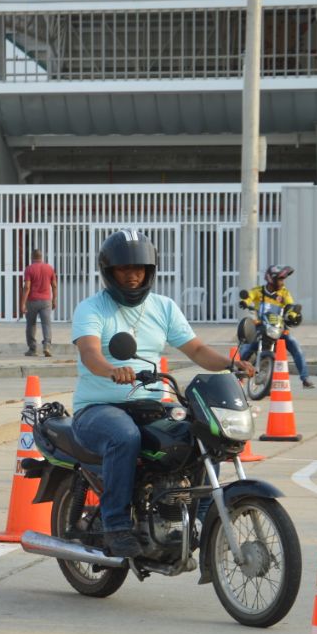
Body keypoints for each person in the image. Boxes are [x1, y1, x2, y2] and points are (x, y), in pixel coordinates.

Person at [70, 229, 253, 558]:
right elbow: (89, 352)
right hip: (98, 407)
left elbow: (196, 349)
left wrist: (231, 363)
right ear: (110, 272)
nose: (133, 275)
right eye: (125, 269)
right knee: (124, 436)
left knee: (202, 434)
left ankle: (194, 520)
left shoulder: (163, 307)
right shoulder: (92, 308)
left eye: (140, 269)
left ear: (150, 271)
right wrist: (112, 369)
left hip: (152, 404)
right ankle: (115, 526)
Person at [238, 264, 313, 388]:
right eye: (280, 279)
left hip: (278, 327)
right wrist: (245, 301)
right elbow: (250, 296)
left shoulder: (284, 293)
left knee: (295, 345)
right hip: (261, 326)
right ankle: (236, 374)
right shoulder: (259, 291)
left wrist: (294, 314)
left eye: (283, 279)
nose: (282, 282)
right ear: (271, 278)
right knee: (246, 347)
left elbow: (290, 306)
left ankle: (305, 378)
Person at [20, 248, 57, 357]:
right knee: (46, 324)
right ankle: (47, 346)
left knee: (31, 324)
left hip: (32, 301)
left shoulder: (29, 269)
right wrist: (54, 299)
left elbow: (27, 287)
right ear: (42, 257)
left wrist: (22, 303)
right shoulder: (49, 268)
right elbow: (54, 285)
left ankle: (33, 349)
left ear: (32, 257)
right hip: (46, 301)